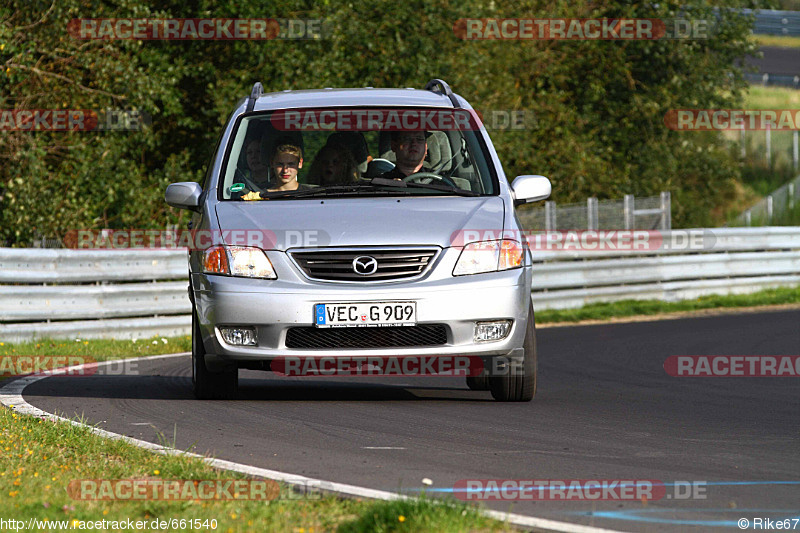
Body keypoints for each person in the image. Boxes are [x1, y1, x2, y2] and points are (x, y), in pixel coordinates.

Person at [241, 142, 309, 200]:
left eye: (291, 164)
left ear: (300, 163)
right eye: (280, 164)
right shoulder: (262, 197)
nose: (285, 170)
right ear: (272, 163)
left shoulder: (311, 195)